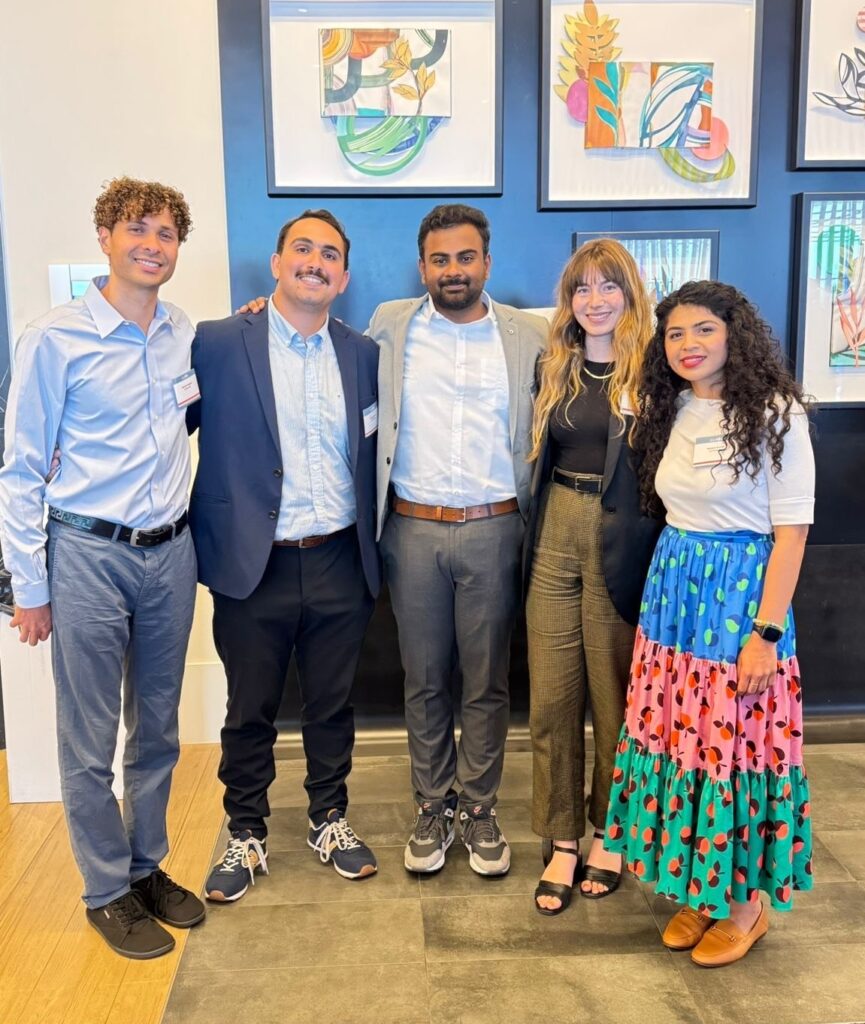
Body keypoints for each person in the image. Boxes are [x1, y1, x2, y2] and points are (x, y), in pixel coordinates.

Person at [0, 177, 205, 959]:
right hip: (86, 553)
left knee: (157, 729)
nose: (152, 245)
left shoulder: (182, 331)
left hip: (170, 552)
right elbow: (21, 469)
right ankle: (104, 891)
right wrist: (29, 586)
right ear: (105, 238)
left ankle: (146, 868)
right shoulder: (53, 339)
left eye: (165, 233)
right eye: (137, 229)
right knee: (88, 738)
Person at [604, 280, 815, 966]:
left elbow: (791, 536)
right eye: (674, 334)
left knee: (738, 747)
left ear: (735, 335)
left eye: (703, 330)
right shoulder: (671, 407)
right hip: (675, 598)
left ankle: (746, 907)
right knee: (685, 743)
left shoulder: (777, 413)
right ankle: (704, 887)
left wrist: (765, 635)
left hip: (740, 600)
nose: (687, 345)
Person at [190, 210, 381, 903]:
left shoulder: (363, 354)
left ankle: (329, 817)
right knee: (250, 709)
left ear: (343, 277)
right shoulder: (215, 342)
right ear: (276, 263)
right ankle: (246, 831)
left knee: (332, 705)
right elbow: (162, 422)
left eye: (329, 254)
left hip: (339, 557)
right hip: (253, 562)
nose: (314, 262)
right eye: (302, 248)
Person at [370, 204, 548, 876]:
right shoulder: (389, 326)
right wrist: (258, 310)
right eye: (439, 259)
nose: (453, 270)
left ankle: (478, 807)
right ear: (421, 267)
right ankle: (431, 803)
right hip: (412, 528)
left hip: (495, 528)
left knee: (486, 680)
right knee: (422, 679)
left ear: (486, 264)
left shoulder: (529, 335)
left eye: (465, 257)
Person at [524, 239, 661, 914]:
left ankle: (610, 832)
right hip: (554, 524)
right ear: (569, 300)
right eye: (582, 288)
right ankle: (561, 840)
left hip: (620, 537)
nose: (595, 299)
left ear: (629, 294)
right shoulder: (555, 364)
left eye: (609, 286)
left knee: (614, 699)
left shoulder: (657, 369)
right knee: (551, 699)